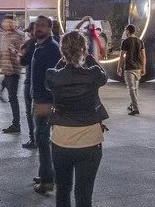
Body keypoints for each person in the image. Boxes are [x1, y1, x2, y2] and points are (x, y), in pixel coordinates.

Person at [47, 30, 110, 207]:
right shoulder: (93, 75)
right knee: (84, 195)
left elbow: (57, 73)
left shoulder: (52, 76)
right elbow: (103, 75)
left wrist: (65, 59)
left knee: (63, 191)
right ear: (84, 50)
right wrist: (88, 57)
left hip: (61, 140)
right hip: (90, 141)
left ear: (62, 51)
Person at [29, 16, 63, 195]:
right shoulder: (40, 45)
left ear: (50, 28)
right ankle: (46, 173)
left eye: (43, 26)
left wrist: (47, 102)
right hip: (40, 99)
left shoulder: (50, 48)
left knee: (42, 139)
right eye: (37, 26)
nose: (39, 28)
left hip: (45, 101)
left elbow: (52, 77)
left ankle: (48, 180)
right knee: (42, 138)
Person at [0, 15, 25, 134]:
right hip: (6, 71)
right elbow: (2, 52)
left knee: (13, 98)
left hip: (13, 71)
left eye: (9, 22)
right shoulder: (3, 35)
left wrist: (15, 51)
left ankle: (16, 124)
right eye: (5, 22)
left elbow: (20, 53)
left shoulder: (17, 36)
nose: (7, 24)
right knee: (2, 92)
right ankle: (15, 123)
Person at [21, 20, 41, 148]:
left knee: (30, 112)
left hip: (31, 82)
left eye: (29, 31)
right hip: (44, 83)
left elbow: (23, 62)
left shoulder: (29, 44)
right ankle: (44, 137)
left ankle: (34, 139)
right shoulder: (49, 43)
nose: (28, 34)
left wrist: (20, 54)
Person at [119, 22, 146, 116]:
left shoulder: (125, 42)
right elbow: (143, 56)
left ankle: (135, 108)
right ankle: (132, 105)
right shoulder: (140, 41)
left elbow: (122, 56)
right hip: (138, 67)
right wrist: (144, 68)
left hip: (129, 68)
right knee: (135, 88)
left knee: (131, 88)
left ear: (127, 31)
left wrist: (119, 67)